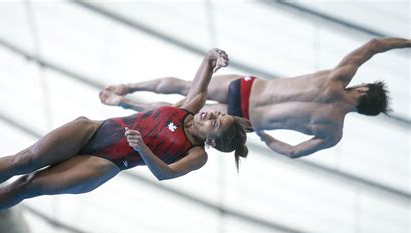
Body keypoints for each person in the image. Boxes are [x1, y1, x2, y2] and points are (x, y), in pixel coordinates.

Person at [0, 49, 250, 222]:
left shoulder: (197, 155)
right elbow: (202, 80)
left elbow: (165, 174)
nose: (211, 114)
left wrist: (143, 150)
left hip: (105, 163)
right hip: (96, 130)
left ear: (212, 141)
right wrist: (212, 59)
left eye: (215, 123)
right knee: (25, 159)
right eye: (218, 114)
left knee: (26, 186)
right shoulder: (189, 108)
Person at [101, 37, 410, 158]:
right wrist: (263, 135)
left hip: (247, 89)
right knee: (179, 112)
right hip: (245, 121)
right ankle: (128, 104)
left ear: (363, 90)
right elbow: (291, 151)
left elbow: (375, 44)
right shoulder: (333, 132)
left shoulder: (337, 79)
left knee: (187, 89)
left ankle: (128, 87)